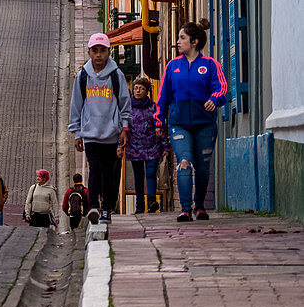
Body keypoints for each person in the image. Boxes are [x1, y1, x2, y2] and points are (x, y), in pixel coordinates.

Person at [154, 20, 227, 223]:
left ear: (194, 41)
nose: (178, 42)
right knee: (184, 162)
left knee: (203, 167)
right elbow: (163, 96)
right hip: (178, 123)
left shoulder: (210, 64)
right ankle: (185, 209)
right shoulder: (172, 66)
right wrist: (159, 120)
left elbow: (221, 88)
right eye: (178, 38)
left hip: (205, 124)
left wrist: (214, 99)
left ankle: (200, 206)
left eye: (182, 38)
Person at [68, 32, 131, 223]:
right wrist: (77, 132)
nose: (98, 55)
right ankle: (94, 206)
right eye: (94, 51)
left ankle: (107, 209)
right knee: (95, 168)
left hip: (111, 133)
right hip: (91, 133)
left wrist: (124, 128)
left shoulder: (116, 75)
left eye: (102, 51)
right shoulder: (82, 77)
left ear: (108, 52)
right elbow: (76, 105)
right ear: (88, 53)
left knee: (109, 172)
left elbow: (124, 102)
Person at [127, 76, 164, 214]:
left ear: (146, 91)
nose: (137, 91)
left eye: (141, 88)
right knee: (138, 176)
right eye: (136, 88)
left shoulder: (153, 107)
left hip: (151, 146)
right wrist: (121, 145)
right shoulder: (128, 108)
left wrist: (165, 146)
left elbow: (160, 125)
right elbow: (123, 127)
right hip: (134, 146)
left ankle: (152, 200)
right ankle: (140, 204)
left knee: (150, 173)